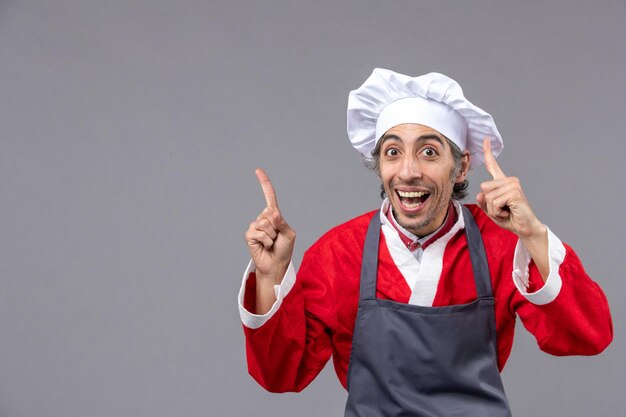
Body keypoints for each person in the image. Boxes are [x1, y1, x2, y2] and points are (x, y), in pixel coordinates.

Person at [238, 68, 613, 416]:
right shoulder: (339, 252)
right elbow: (280, 375)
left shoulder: (501, 245)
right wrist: (270, 275)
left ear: (461, 166)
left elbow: (588, 336)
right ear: (380, 164)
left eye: (429, 152)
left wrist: (533, 234)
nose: (408, 171)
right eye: (393, 152)